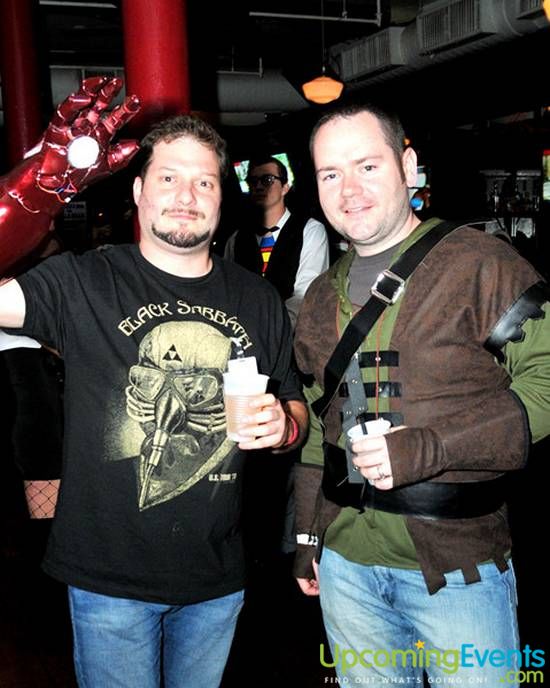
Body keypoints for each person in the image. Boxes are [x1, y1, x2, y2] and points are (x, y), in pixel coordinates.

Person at [0, 77, 307, 688]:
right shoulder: (82, 281)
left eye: (204, 182)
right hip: (107, 581)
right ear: (138, 191)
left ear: (222, 199)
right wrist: (34, 190)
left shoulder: (258, 299)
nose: (186, 196)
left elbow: (295, 409)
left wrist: (283, 428)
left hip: (218, 578)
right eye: (168, 177)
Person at [292, 103, 550, 685]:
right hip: (346, 568)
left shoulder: (481, 264)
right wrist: (307, 535)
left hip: (459, 568)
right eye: (331, 174)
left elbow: (546, 380)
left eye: (367, 166)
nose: (349, 190)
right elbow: (316, 428)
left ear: (408, 167)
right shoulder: (320, 297)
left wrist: (432, 447)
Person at [225, 155, 329, 328]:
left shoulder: (310, 230)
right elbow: (229, 291)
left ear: (285, 187)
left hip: (291, 331)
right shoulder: (236, 239)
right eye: (253, 181)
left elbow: (307, 293)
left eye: (267, 180)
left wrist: (274, 329)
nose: (259, 186)